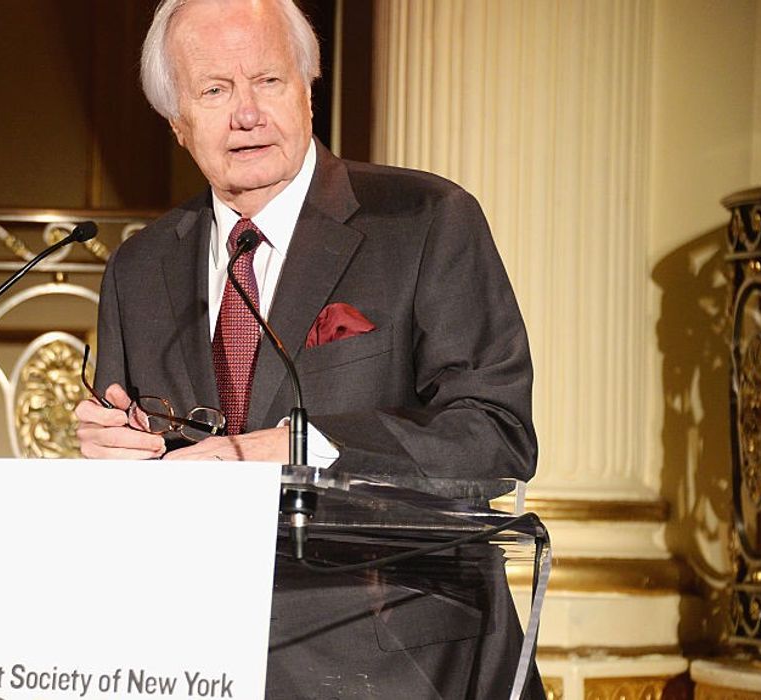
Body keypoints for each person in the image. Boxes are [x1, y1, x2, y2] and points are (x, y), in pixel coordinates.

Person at [74, 0, 542, 697]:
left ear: (306, 89)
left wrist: (301, 448)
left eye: (267, 80)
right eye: (212, 90)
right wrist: (112, 455)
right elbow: (146, 481)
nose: (246, 114)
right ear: (176, 122)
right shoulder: (138, 270)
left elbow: (494, 433)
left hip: (393, 658)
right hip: (194, 655)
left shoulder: (422, 221)